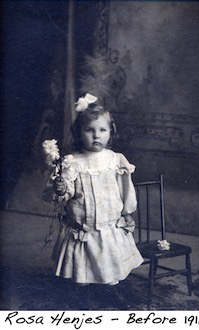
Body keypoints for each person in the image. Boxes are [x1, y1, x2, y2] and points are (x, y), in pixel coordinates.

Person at [42, 93, 143, 290]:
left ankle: (107, 288)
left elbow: (125, 189)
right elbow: (65, 193)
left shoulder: (115, 160)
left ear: (110, 133)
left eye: (102, 130)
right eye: (89, 130)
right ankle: (83, 290)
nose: (96, 136)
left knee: (109, 262)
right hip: (83, 224)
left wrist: (127, 212)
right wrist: (62, 189)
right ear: (79, 133)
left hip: (108, 223)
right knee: (83, 266)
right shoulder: (72, 162)